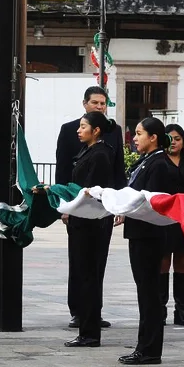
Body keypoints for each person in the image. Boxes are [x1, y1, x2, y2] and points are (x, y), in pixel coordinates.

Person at [55, 86, 126, 329]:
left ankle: (94, 309)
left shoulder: (113, 132)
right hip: (77, 206)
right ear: (85, 104)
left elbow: (118, 169)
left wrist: (119, 205)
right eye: (95, 102)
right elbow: (63, 169)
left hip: (103, 205)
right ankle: (78, 309)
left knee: (98, 259)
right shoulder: (70, 131)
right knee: (78, 259)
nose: (99, 106)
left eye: (103, 103)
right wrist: (64, 205)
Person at [63, 111, 117, 348]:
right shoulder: (88, 151)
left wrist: (73, 205)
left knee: (89, 277)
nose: (78, 130)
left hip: (91, 224)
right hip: (80, 222)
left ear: (96, 131)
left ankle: (90, 332)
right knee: (81, 274)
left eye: (83, 126)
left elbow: (92, 192)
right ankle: (86, 328)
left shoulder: (101, 155)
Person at [120, 116, 170, 364]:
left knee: (150, 292)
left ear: (153, 137)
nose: (135, 138)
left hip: (149, 234)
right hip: (138, 232)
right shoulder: (146, 161)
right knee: (144, 291)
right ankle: (145, 344)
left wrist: (126, 207)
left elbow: (151, 202)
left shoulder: (159, 163)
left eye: (139, 133)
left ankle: (150, 348)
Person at [160, 123, 184, 327]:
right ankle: (161, 308)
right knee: (164, 261)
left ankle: (180, 309)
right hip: (165, 217)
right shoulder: (158, 160)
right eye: (170, 138)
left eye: (178, 138)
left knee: (182, 263)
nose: (174, 142)